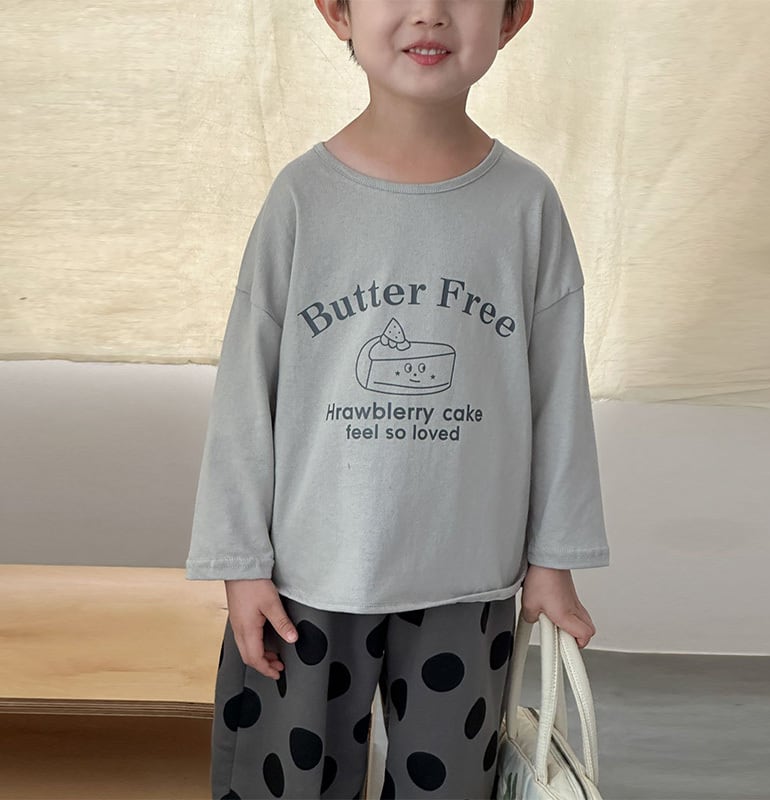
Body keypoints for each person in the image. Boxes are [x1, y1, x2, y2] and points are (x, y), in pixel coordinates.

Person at [185, 1, 611, 798]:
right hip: (308, 581)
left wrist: (552, 562)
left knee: (448, 785)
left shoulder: (526, 203)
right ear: (338, 12)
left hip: (470, 580)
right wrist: (240, 564)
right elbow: (247, 391)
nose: (430, 13)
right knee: (290, 783)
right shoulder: (303, 197)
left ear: (512, 17)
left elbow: (557, 394)